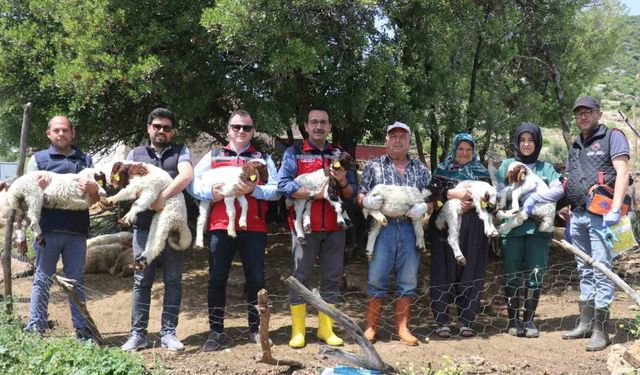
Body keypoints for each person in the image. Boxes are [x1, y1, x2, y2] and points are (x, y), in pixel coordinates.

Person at [188, 110, 280, 352]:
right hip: (220, 226)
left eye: (247, 128)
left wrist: (253, 191)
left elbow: (276, 189)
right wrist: (211, 194)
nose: (241, 131)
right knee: (217, 278)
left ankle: (256, 330)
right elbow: (193, 183)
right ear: (228, 129)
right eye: (236, 126)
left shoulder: (262, 158)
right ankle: (216, 331)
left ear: (253, 131)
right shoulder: (214, 155)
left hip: (254, 226)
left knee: (256, 280)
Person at [277, 107, 356, 348]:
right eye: (314, 122)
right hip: (304, 227)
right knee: (301, 277)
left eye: (323, 122)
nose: (319, 127)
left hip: (335, 228)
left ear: (330, 127)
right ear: (306, 126)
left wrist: (342, 181)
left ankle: (326, 329)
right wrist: (314, 194)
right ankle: (298, 331)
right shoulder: (294, 153)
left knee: (332, 278)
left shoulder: (338, 155)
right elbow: (283, 185)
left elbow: (351, 192)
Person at [121, 108, 193, 352]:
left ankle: (168, 334)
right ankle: (138, 334)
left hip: (173, 227)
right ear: (149, 128)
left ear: (172, 131)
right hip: (144, 228)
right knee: (142, 280)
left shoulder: (181, 151)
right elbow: (128, 182)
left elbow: (186, 177)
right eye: (157, 126)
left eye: (166, 127)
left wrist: (162, 197)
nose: (161, 130)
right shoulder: (135, 153)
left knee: (173, 281)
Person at [562, 96, 630, 351]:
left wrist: (615, 208)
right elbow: (570, 178)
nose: (583, 116)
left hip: (602, 215)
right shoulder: (576, 144)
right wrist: (568, 207)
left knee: (601, 268)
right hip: (578, 215)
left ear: (598, 114)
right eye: (578, 113)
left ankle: (601, 330)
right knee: (584, 269)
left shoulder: (613, 136)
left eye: (587, 112)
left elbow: (622, 172)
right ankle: (586, 323)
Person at [25, 115, 101, 341]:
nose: (61, 134)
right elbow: (27, 197)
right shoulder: (38, 160)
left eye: (65, 130)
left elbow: (96, 199)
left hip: (77, 232)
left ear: (72, 133)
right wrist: (36, 189)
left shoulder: (85, 160)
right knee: (42, 279)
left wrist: (92, 188)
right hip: (46, 232)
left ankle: (82, 330)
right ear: (49, 134)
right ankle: (36, 328)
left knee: (75, 281)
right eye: (56, 130)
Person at [357, 122, 430, 345]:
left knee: (407, 280)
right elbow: (360, 195)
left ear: (409, 141)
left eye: (402, 136)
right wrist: (365, 201)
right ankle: (370, 328)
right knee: (377, 278)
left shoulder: (420, 169)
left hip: (410, 227)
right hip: (383, 228)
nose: (398, 140)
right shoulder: (374, 166)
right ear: (386, 140)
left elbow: (429, 198)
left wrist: (426, 207)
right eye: (393, 136)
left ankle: (403, 328)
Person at [495, 123, 564, 338]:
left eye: (531, 140)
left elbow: (558, 191)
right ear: (517, 142)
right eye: (522, 140)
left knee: (536, 273)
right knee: (511, 273)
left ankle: (530, 321)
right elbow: (498, 191)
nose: (526, 144)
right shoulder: (507, 164)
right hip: (512, 230)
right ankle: (513, 320)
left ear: (537, 142)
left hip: (538, 231)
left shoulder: (546, 168)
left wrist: (533, 200)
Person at [428, 133, 491, 338]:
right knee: (442, 272)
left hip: (474, 228)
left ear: (473, 152)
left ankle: (466, 320)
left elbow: (490, 202)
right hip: (445, 227)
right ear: (454, 150)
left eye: (468, 150)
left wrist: (473, 203)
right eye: (460, 149)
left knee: (471, 272)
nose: (464, 153)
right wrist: (452, 196)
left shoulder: (481, 172)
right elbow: (432, 196)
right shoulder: (441, 170)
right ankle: (441, 321)